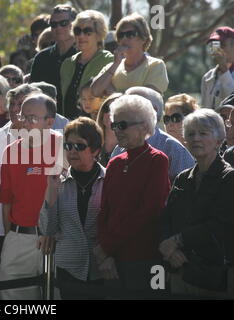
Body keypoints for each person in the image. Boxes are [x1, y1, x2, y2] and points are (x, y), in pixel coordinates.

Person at [95, 95, 170, 293]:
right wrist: (106, 253)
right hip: (112, 260)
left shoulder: (157, 160)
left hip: (146, 258)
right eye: (114, 125)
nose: (117, 130)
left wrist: (107, 247)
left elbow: (149, 211)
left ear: (145, 126)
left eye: (122, 125)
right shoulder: (115, 163)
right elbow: (104, 211)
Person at [159, 109, 234, 298]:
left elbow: (218, 225)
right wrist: (168, 248)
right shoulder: (183, 178)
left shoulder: (229, 178)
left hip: (213, 276)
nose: (196, 138)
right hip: (179, 271)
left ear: (219, 140)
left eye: (203, 133)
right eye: (191, 134)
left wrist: (177, 241)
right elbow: (167, 217)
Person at [0, 84, 41, 297]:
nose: (15, 109)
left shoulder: (48, 142)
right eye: (13, 103)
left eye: (21, 104)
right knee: (0, 286)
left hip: (31, 229)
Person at [0, 93, 61, 300]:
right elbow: (6, 201)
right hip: (19, 238)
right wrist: (10, 237)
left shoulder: (66, 146)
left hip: (57, 240)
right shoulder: (10, 151)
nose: (24, 122)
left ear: (49, 121)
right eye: (23, 116)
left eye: (32, 118)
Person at [40, 117, 105, 299]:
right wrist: (51, 189)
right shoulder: (58, 182)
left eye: (80, 146)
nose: (73, 151)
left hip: (102, 268)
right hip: (69, 268)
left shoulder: (110, 180)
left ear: (96, 150)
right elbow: (47, 229)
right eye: (68, 146)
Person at [111, 87, 195, 183]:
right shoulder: (119, 150)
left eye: (131, 106)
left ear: (152, 111)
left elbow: (184, 193)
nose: (122, 112)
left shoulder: (174, 150)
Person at [91, 13, 169, 97]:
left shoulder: (156, 65)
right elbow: (94, 91)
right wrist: (115, 64)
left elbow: (146, 98)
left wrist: (113, 93)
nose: (124, 39)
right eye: (120, 35)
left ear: (143, 38)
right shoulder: (111, 67)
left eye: (130, 34)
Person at [60, 10, 113, 119]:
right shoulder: (67, 64)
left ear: (99, 35)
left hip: (96, 126)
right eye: (77, 31)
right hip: (68, 127)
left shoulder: (108, 60)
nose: (81, 35)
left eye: (87, 31)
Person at [30, 4, 78, 114]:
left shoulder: (83, 55)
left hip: (76, 120)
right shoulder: (41, 58)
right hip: (45, 120)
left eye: (63, 23)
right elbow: (32, 93)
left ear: (75, 24)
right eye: (53, 24)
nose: (58, 28)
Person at [201, 27, 234, 109]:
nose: (217, 50)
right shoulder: (207, 77)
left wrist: (224, 70)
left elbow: (231, 101)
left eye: (222, 45)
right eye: (214, 45)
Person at [96, 93, 122, 167]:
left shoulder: (132, 146)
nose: (111, 114)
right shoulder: (91, 141)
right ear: (102, 114)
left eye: (117, 110)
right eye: (107, 109)